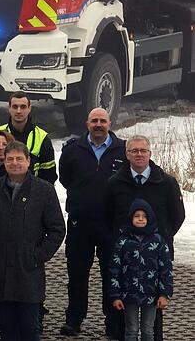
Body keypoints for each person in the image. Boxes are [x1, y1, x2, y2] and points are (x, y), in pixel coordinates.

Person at [0, 141, 66, 341]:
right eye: (10, 159)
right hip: (0, 273)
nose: (14, 163)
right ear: (4, 162)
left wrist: (37, 256)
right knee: (7, 329)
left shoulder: (44, 190)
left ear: (28, 161)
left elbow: (57, 229)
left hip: (28, 273)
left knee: (30, 329)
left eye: (19, 159)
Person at [104, 135, 186, 341]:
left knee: (153, 315)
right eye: (134, 151)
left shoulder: (166, 182)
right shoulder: (115, 183)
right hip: (125, 257)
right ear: (126, 154)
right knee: (124, 314)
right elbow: (107, 215)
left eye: (143, 151)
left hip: (156, 255)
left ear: (150, 153)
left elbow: (178, 215)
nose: (138, 154)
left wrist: (162, 238)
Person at [58, 108, 126, 337]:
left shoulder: (122, 149)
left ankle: (113, 323)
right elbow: (66, 179)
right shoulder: (72, 149)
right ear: (87, 123)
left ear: (110, 123)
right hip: (80, 223)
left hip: (110, 225)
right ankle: (74, 320)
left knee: (111, 275)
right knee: (77, 275)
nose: (98, 124)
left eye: (103, 121)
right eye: (94, 120)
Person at [108, 199, 173, 341]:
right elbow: (114, 269)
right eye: (136, 216)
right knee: (131, 329)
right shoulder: (122, 241)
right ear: (130, 218)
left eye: (144, 216)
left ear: (150, 219)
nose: (140, 219)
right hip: (128, 295)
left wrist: (164, 293)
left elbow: (166, 269)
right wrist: (115, 295)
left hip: (151, 295)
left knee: (148, 329)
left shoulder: (158, 241)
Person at [0, 92, 57, 184]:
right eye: (15, 107)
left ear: (29, 109)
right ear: (9, 109)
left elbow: (49, 176)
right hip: (1, 191)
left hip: (33, 192)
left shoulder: (42, 137)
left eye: (23, 107)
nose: (18, 111)